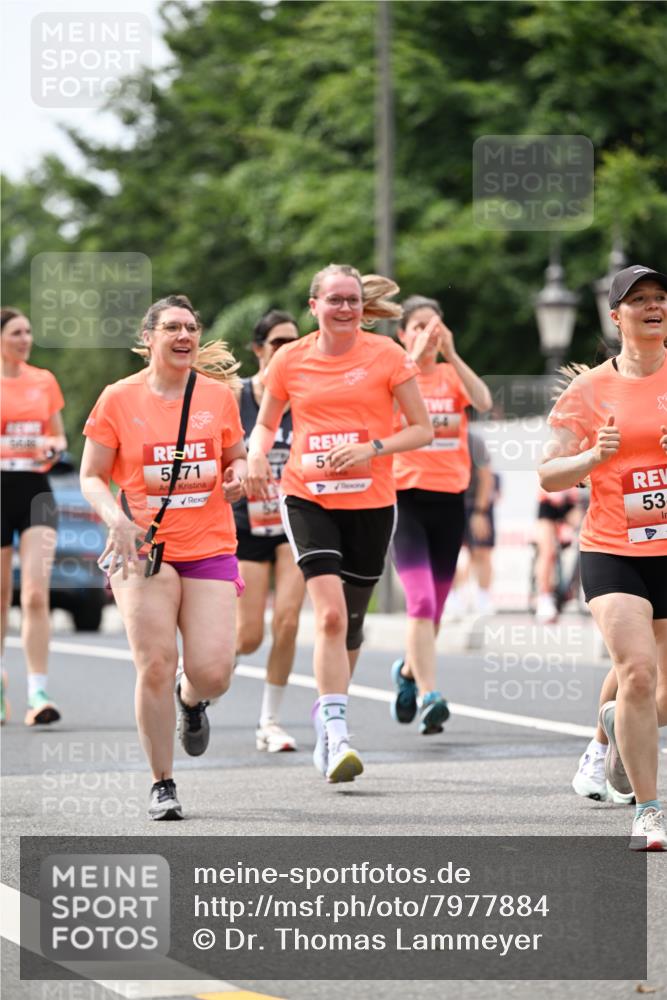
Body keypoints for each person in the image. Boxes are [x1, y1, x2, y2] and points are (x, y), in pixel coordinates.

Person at [245, 265, 432, 783]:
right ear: (314, 306)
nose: (345, 308)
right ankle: (336, 733)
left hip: (372, 501)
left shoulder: (386, 355)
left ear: (361, 306)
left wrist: (371, 447)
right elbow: (265, 423)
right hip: (308, 497)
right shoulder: (290, 358)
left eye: (352, 299)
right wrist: (256, 455)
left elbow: (421, 429)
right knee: (327, 617)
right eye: (334, 300)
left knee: (350, 623)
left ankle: (328, 716)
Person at [80, 294, 246, 820]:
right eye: (172, 327)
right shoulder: (118, 398)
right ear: (147, 338)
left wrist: (239, 476)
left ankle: (191, 700)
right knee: (154, 662)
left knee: (213, 673)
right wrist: (116, 518)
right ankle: (162, 783)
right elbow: (91, 476)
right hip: (142, 548)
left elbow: (235, 456)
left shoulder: (217, 397)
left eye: (191, 328)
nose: (185, 336)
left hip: (209, 544)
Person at [540, 264, 667, 850]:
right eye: (639, 300)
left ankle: (614, 729)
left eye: (660, 298)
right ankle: (649, 810)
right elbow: (548, 473)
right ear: (616, 316)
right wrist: (592, 457)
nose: (653, 307)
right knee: (637, 671)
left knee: (655, 695)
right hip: (614, 548)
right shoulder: (589, 390)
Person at [390, 296, 492, 734]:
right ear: (402, 334)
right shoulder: (395, 375)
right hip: (406, 499)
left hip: (450, 502)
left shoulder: (451, 376)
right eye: (418, 326)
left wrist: (451, 352)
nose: (428, 334)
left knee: (433, 610)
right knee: (421, 602)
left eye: (435, 326)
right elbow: (380, 414)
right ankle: (430, 694)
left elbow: (483, 400)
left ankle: (407, 672)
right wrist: (412, 359)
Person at [233, 310, 305, 753]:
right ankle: (199, 678)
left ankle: (270, 721)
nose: (288, 350)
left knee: (289, 620)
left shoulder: (308, 398)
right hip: (246, 524)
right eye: (279, 342)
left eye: (294, 342)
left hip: (295, 520)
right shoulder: (236, 396)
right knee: (248, 636)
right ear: (259, 349)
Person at [1, 307, 67, 726]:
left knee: (36, 595)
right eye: (16, 333)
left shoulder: (44, 380)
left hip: (35, 491)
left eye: (28, 332)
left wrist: (53, 446)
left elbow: (58, 433)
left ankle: (37, 693)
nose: (25, 339)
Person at [447, 428, 500, 617]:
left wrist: (480, 511)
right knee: (447, 553)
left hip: (475, 503)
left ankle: (483, 598)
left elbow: (486, 477)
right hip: (449, 502)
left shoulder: (473, 440)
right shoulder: (435, 440)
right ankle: (452, 598)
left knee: (481, 552)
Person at [533, 485, 585, 622]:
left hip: (570, 502)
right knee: (547, 551)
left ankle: (574, 588)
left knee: (587, 533)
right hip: (548, 502)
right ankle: (544, 598)